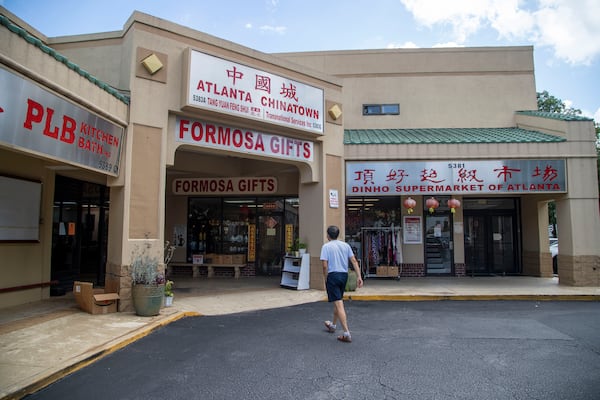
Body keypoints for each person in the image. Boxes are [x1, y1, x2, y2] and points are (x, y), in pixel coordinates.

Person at [320, 225, 363, 343]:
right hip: (344, 275)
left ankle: (346, 333)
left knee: (339, 304)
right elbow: (353, 260)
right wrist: (359, 276)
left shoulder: (326, 247)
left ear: (328, 235)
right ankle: (333, 325)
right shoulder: (345, 245)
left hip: (333, 275)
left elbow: (324, 265)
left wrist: (326, 277)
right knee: (338, 299)